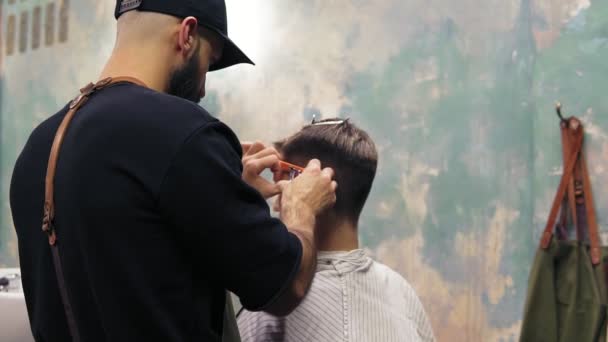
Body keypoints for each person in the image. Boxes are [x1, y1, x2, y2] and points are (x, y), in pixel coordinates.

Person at [9, 1, 337, 341]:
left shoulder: (37, 148)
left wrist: (225, 193)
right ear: (187, 35)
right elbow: (287, 286)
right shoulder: (183, 131)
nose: (203, 88)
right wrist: (302, 208)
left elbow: (131, 257)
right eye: (208, 64)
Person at [237, 118, 436, 342]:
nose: (277, 202)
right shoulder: (401, 293)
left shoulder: (277, 301)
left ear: (314, 187)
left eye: (287, 180)